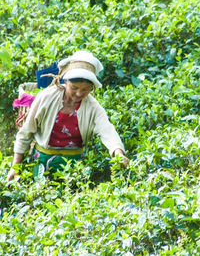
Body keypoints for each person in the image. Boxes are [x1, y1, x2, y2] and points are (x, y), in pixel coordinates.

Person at [7, 50, 129, 181]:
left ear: (92, 88)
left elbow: (107, 130)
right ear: (65, 82)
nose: (79, 93)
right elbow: (26, 132)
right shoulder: (46, 97)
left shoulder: (93, 107)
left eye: (85, 89)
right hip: (41, 166)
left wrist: (118, 153)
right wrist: (15, 166)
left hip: (74, 170)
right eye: (74, 88)